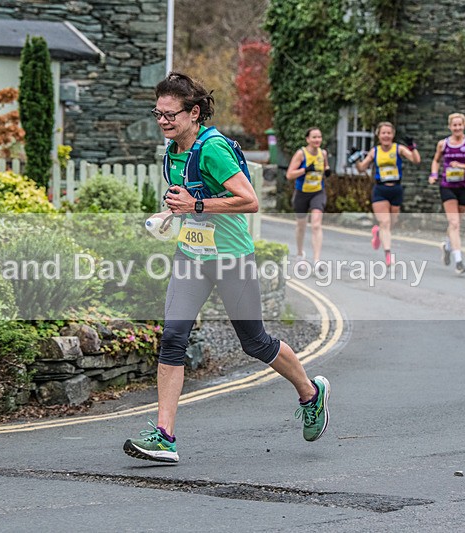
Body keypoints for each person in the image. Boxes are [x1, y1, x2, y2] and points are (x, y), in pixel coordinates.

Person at [123, 72, 330, 463]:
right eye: (158, 114)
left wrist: (196, 205)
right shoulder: (173, 151)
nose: (163, 121)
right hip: (191, 255)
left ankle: (310, 392)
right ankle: (165, 437)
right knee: (173, 337)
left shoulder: (213, 148)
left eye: (170, 114)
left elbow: (249, 201)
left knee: (255, 343)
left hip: (231, 257)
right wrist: (172, 212)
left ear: (194, 112)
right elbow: (189, 199)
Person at [354, 122, 421, 266]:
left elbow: (416, 160)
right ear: (378, 135)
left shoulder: (398, 149)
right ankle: (388, 254)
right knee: (385, 222)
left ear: (393, 135)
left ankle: (378, 232)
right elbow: (361, 168)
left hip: (396, 189)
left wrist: (412, 147)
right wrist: (356, 159)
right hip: (380, 190)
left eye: (389, 133)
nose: (386, 136)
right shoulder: (374, 152)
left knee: (391, 223)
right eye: (383, 133)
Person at [429, 113, 465, 275]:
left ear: (464, 125)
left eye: (460, 125)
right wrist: (434, 174)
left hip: (464, 187)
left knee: (456, 223)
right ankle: (459, 261)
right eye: (454, 125)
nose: (457, 128)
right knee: (454, 223)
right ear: (449, 127)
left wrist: (461, 166)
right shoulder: (443, 144)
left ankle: (447, 246)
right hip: (447, 187)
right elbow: (436, 160)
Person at [285, 128, 330, 272]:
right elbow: (289, 175)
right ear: (308, 139)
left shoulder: (323, 153)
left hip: (318, 192)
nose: (317, 140)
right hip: (302, 193)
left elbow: (326, 166)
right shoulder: (301, 154)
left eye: (319, 137)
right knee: (301, 226)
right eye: (314, 137)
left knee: (316, 224)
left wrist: (327, 170)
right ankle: (300, 254)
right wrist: (305, 170)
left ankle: (316, 260)